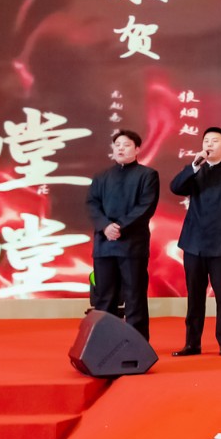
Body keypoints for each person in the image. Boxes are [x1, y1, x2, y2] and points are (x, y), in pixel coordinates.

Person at [169, 126, 221, 357]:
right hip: (193, 244)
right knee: (194, 296)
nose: (209, 144)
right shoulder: (196, 171)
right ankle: (192, 344)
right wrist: (194, 165)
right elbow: (176, 187)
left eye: (215, 141)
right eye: (206, 141)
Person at [86, 128, 159, 340]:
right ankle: (104, 341)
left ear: (137, 149)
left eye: (126, 145)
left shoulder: (147, 175)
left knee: (134, 296)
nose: (120, 149)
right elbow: (92, 204)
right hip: (104, 245)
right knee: (104, 297)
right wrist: (105, 227)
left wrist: (119, 227)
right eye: (117, 145)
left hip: (132, 245)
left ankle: (137, 343)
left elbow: (145, 207)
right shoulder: (101, 176)